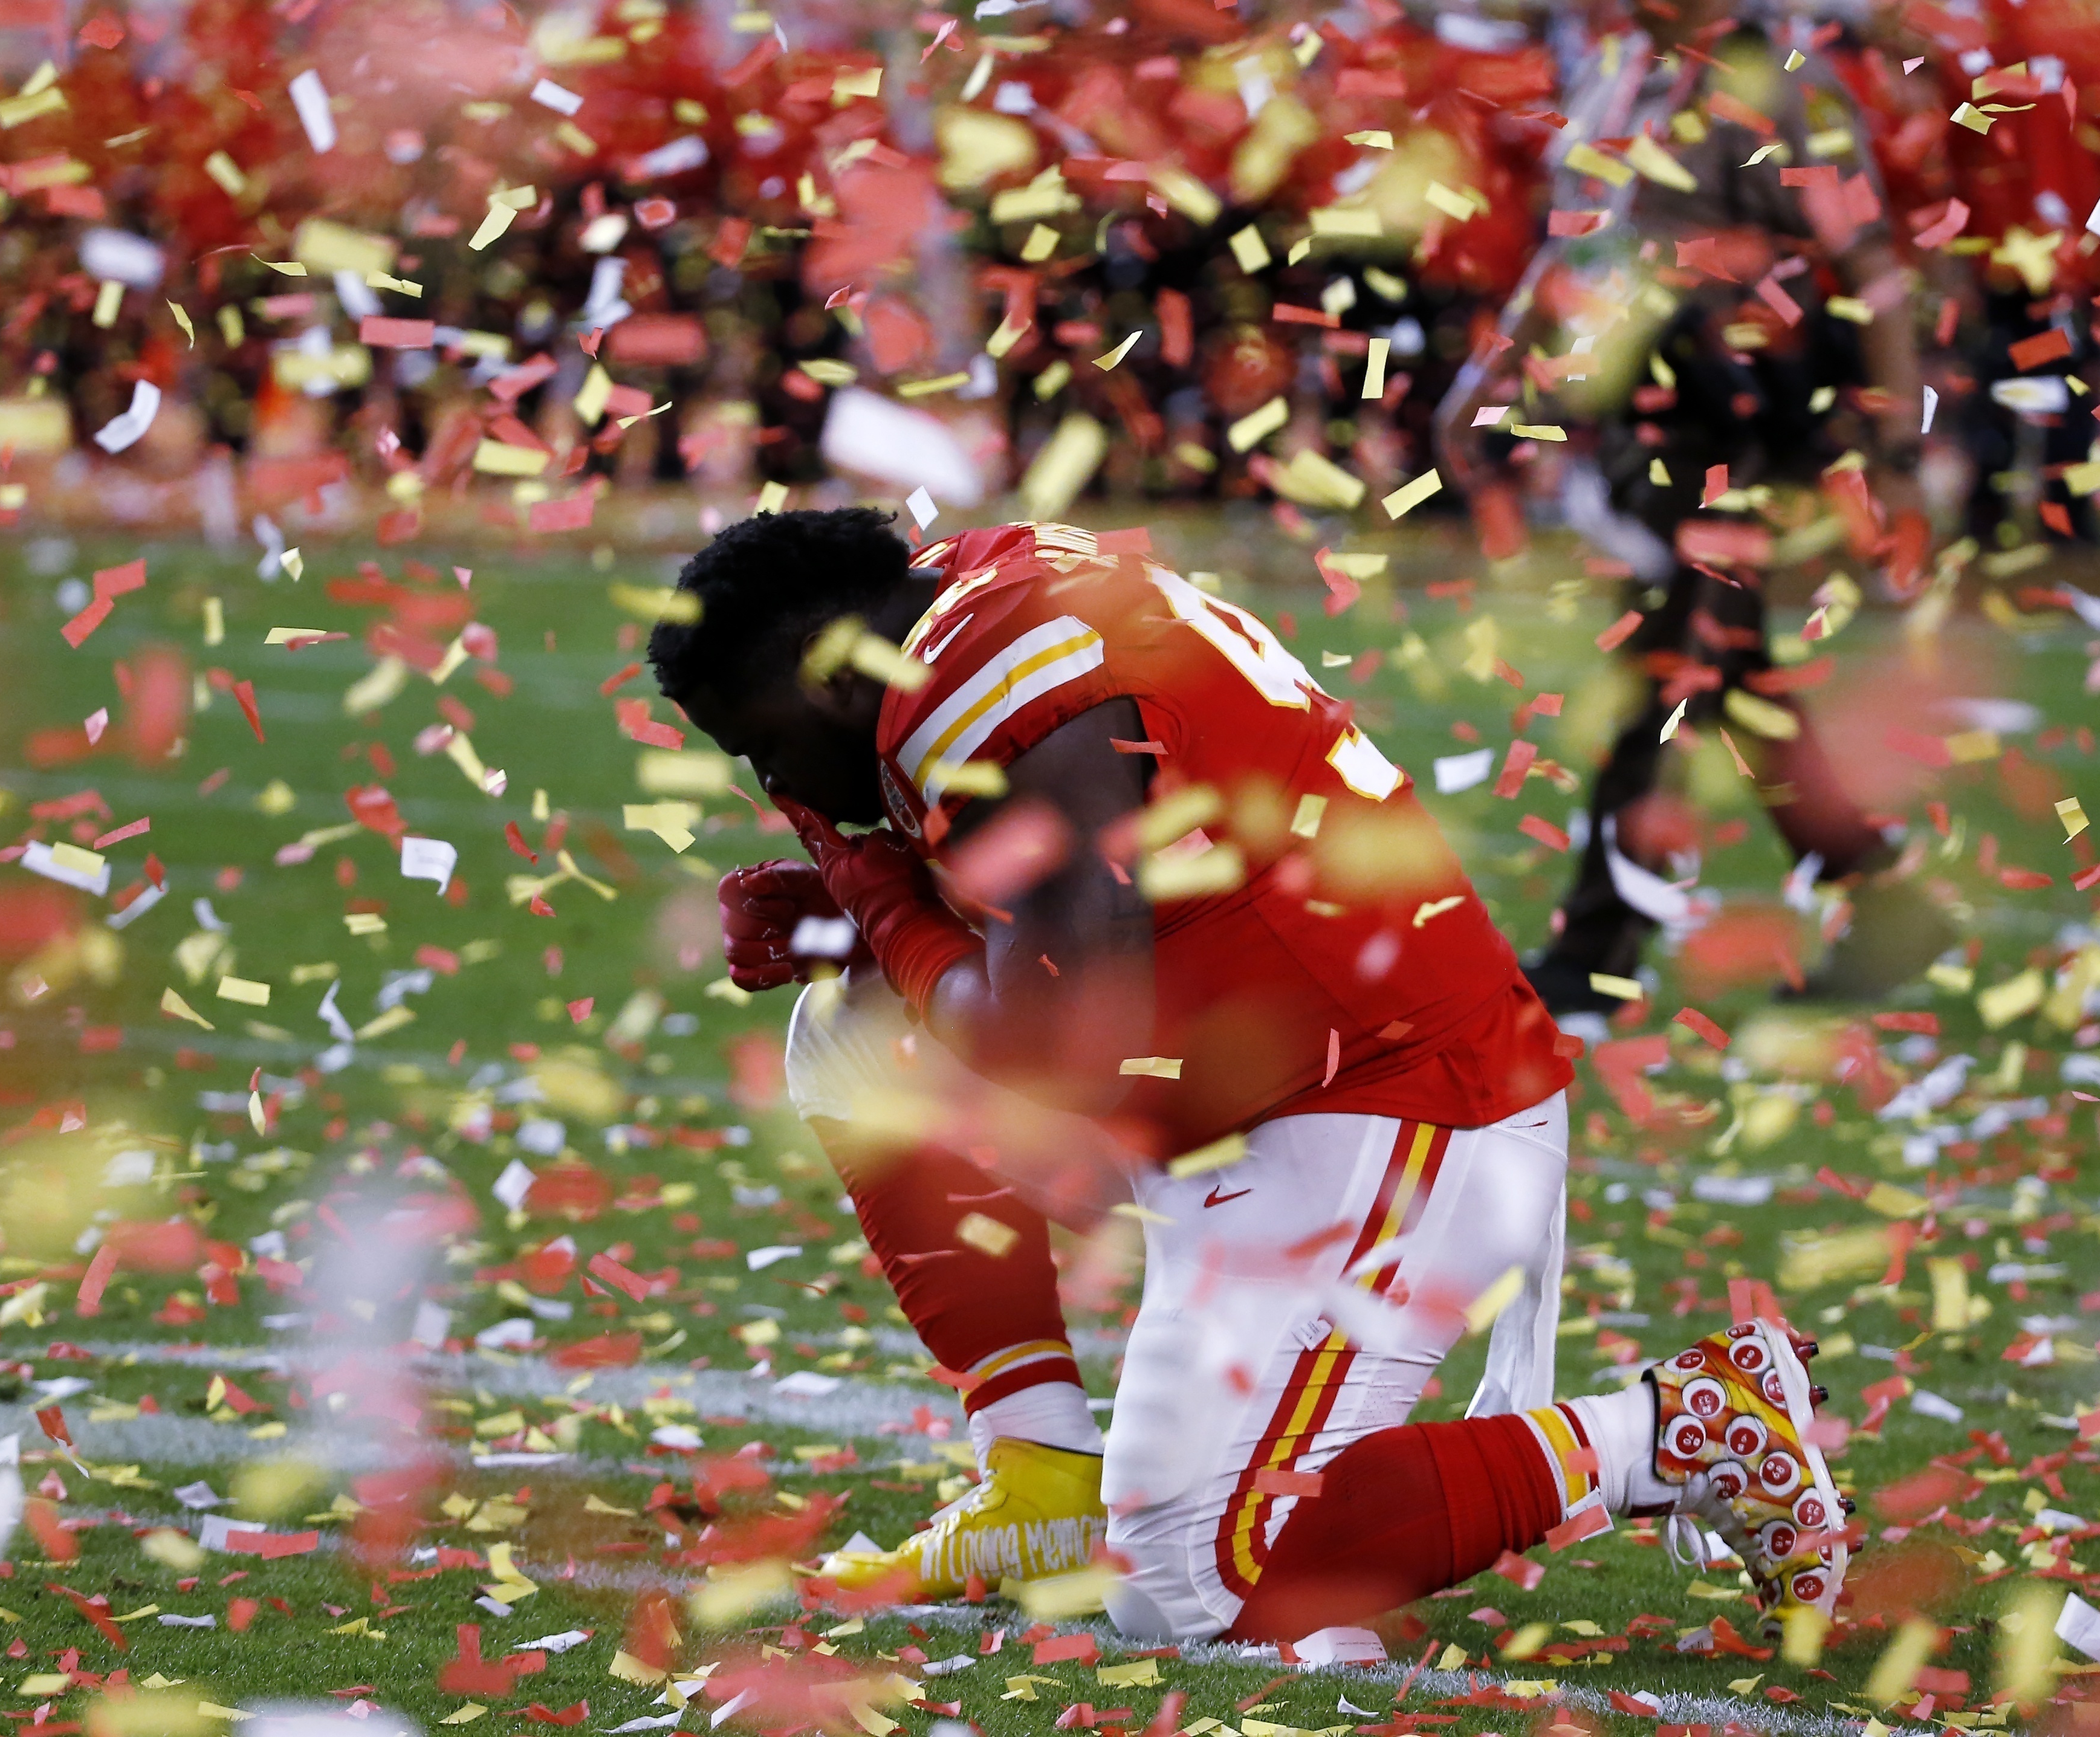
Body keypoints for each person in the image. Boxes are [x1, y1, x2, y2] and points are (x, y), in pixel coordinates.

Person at [650, 506, 1852, 1643]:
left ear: (829, 670)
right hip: (1252, 1086)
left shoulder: (984, 679)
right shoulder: (969, 601)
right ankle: (1040, 1477)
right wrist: (868, 917)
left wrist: (879, 903)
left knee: (1188, 1585)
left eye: (766, 746)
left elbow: (1057, 1040)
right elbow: (1091, 883)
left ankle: (1672, 1433)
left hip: (1397, 1100)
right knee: (854, 1034)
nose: (784, 788)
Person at [1436, 0, 1947, 1017]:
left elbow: (1874, 272)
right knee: (1725, 673)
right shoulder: (1619, 65)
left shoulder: (1786, 84)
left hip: (1746, 421)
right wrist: (1491, 384)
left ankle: (1595, 953)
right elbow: (1578, 251)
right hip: (1639, 433)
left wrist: (1892, 451)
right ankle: (1882, 898)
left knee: (1668, 669)